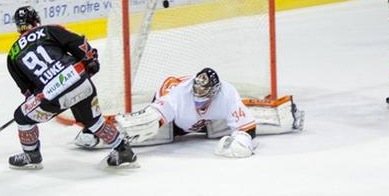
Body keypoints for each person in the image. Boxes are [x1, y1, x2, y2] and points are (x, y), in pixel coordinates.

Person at [6, 5, 136, 169]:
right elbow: (79, 43)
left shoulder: (12, 55)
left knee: (21, 117)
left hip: (53, 97)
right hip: (81, 82)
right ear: (36, 20)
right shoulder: (49, 30)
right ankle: (123, 149)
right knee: (94, 122)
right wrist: (90, 61)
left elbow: (28, 92)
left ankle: (32, 155)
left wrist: (45, 99)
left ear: (18, 27)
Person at [75, 68, 258, 158]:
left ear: (214, 90)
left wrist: (242, 140)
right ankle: (95, 133)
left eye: (203, 91)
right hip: (173, 122)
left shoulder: (227, 93)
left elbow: (247, 126)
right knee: (145, 130)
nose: (197, 94)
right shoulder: (178, 93)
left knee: (243, 124)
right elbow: (150, 120)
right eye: (196, 89)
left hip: (207, 122)